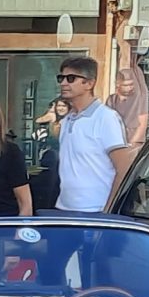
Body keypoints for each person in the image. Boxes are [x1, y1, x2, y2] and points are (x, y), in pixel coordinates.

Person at [53, 55, 132, 214]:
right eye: (61, 78)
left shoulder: (105, 117)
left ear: (89, 83)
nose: (63, 83)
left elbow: (124, 168)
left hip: (96, 210)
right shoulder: (67, 119)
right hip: (64, 208)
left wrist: (108, 211)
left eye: (71, 78)